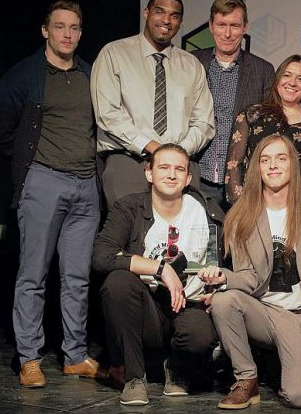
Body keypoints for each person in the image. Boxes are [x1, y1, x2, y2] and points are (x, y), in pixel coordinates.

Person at [0, 0, 107, 388]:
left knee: (76, 277)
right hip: (43, 182)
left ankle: (74, 354)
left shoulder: (91, 74)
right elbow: (4, 129)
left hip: (85, 186)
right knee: (33, 275)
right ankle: (29, 357)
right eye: (59, 27)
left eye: (74, 28)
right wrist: (33, 165)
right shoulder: (27, 74)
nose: (67, 35)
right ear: (46, 30)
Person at [198, 134, 301, 410]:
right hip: (263, 311)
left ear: (293, 164)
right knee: (224, 300)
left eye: (281, 158)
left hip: (300, 317)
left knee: (300, 397)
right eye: (265, 160)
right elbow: (248, 277)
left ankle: (294, 360)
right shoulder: (241, 215)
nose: (273, 166)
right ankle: (247, 379)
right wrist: (224, 277)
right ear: (256, 168)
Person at [92, 143, 222, 406]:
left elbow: (214, 262)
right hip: (145, 306)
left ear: (188, 178)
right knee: (117, 282)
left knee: (199, 336)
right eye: (163, 167)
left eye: (179, 169)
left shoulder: (205, 212)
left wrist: (215, 287)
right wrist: (161, 269)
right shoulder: (128, 208)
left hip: (187, 305)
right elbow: (101, 256)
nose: (171, 175)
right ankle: (134, 377)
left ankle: (175, 368)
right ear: (149, 173)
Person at [91, 0, 215, 205]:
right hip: (130, 163)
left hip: (180, 166)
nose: (166, 20)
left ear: (180, 21)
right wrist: (153, 148)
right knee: (133, 236)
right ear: (146, 12)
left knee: (181, 237)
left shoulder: (191, 64)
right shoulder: (114, 54)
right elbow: (108, 114)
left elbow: (204, 122)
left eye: (174, 16)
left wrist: (175, 155)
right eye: (160, 12)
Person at [192, 0, 275, 210]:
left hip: (243, 182)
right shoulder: (190, 63)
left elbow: (268, 131)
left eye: (234, 25)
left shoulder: (263, 70)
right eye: (221, 25)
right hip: (196, 176)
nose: (227, 33)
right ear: (211, 26)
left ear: (245, 27)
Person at [225, 54, 301, 202]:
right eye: (287, 75)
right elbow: (234, 164)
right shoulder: (252, 116)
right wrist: (242, 205)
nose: (292, 83)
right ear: (277, 79)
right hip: (258, 208)